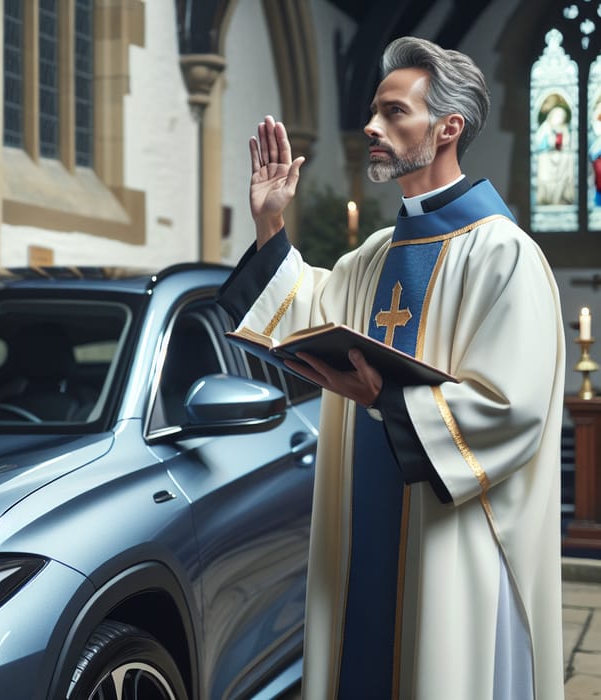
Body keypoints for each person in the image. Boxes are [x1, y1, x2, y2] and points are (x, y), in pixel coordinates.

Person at [218, 37, 565, 700]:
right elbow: (300, 310)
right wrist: (270, 225)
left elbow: (512, 409)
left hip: (455, 547)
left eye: (393, 113)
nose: (372, 128)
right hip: (364, 531)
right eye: (374, 112)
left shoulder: (504, 255)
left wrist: (385, 397)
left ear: (447, 128)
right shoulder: (375, 255)